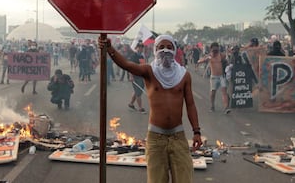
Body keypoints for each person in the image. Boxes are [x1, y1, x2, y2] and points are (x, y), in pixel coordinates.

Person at [98, 34, 202, 183]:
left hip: (178, 137)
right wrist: (110, 48)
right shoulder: (149, 71)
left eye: (169, 47)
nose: (165, 51)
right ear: (155, 50)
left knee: (184, 179)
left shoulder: (184, 76)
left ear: (174, 50)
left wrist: (196, 131)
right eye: (161, 47)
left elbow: (191, 104)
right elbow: (127, 65)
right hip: (156, 138)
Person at [199, 42, 230, 114]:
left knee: (224, 92)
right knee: (213, 92)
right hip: (214, 77)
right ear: (211, 50)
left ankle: (226, 107)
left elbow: (228, 60)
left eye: (217, 49)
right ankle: (212, 106)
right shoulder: (209, 56)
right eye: (214, 50)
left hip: (222, 76)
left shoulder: (221, 55)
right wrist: (206, 59)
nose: (215, 52)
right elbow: (199, 61)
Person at [127, 42, 147, 114]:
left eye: (142, 47)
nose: (141, 48)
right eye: (139, 47)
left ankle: (131, 104)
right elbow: (130, 67)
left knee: (137, 91)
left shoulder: (141, 56)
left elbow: (143, 65)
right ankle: (140, 108)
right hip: (135, 76)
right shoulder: (133, 56)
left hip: (141, 76)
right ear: (136, 48)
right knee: (138, 92)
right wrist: (131, 76)